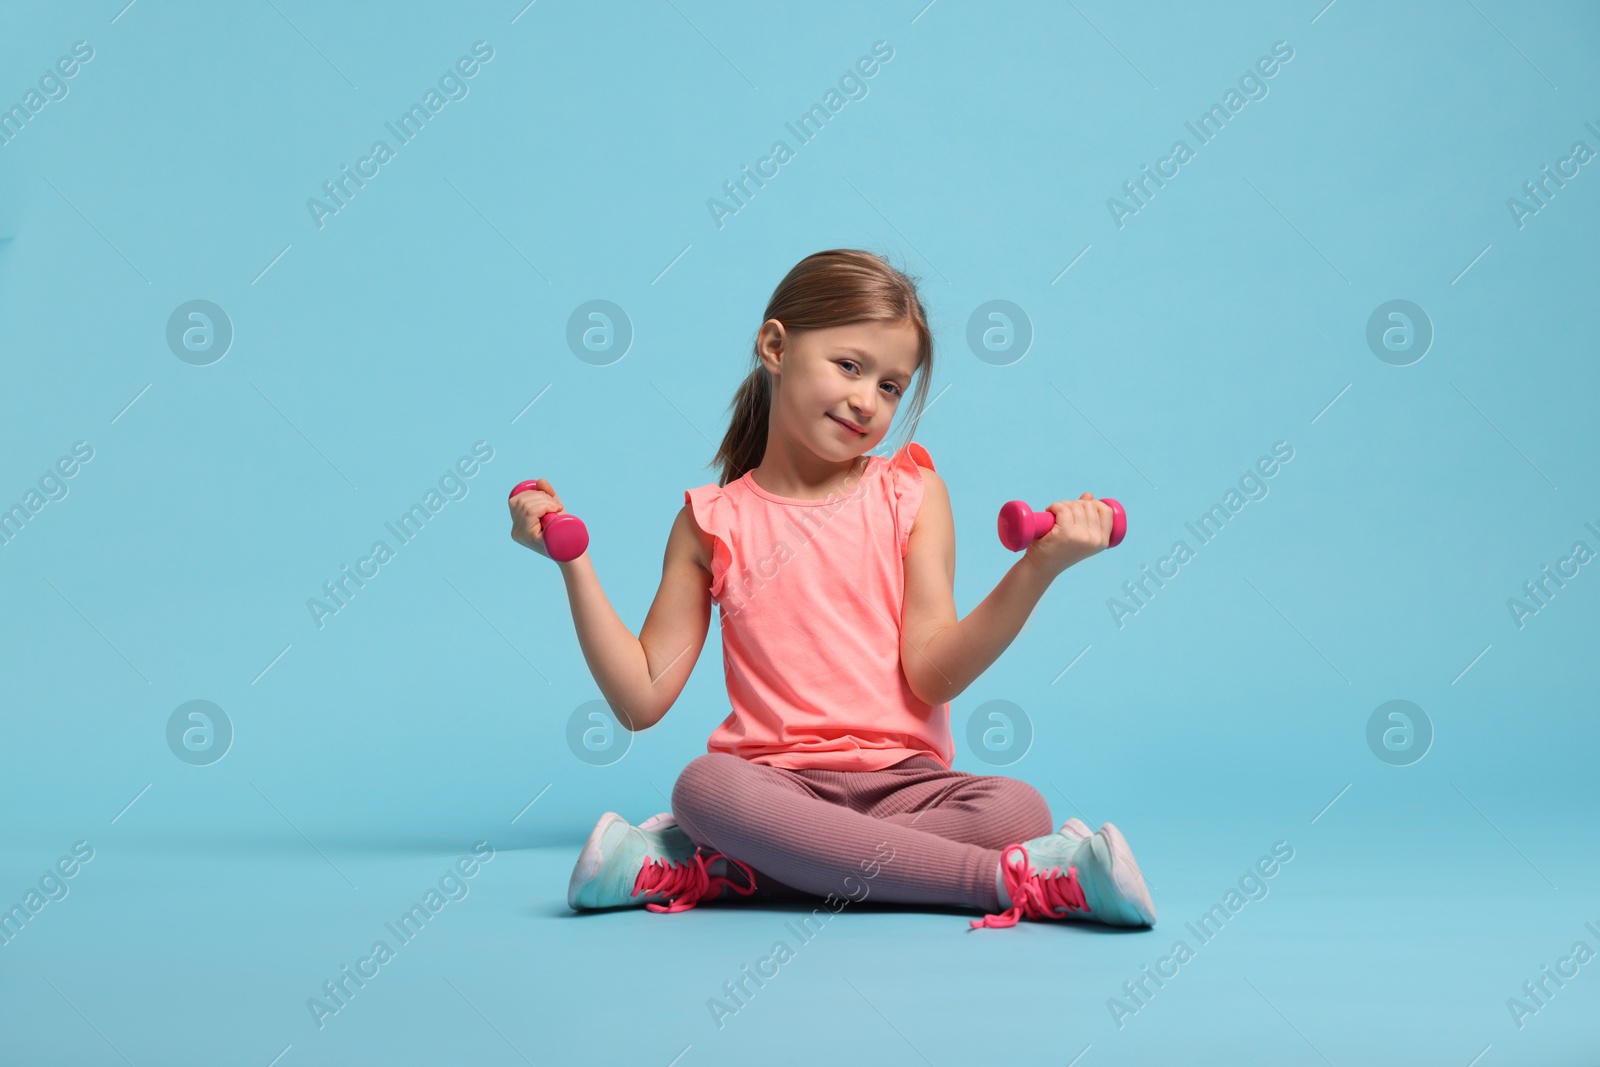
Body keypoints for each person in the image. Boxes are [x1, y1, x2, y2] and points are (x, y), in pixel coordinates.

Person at [510, 249, 1156, 930]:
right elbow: (640, 699)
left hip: (908, 787)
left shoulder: (912, 494)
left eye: (890, 387)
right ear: (775, 346)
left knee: (1018, 806)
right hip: (772, 785)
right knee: (706, 788)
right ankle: (1007, 879)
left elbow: (932, 676)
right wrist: (570, 563)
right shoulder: (712, 521)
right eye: (850, 365)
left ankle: (722, 865)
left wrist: (1039, 567)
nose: (865, 400)